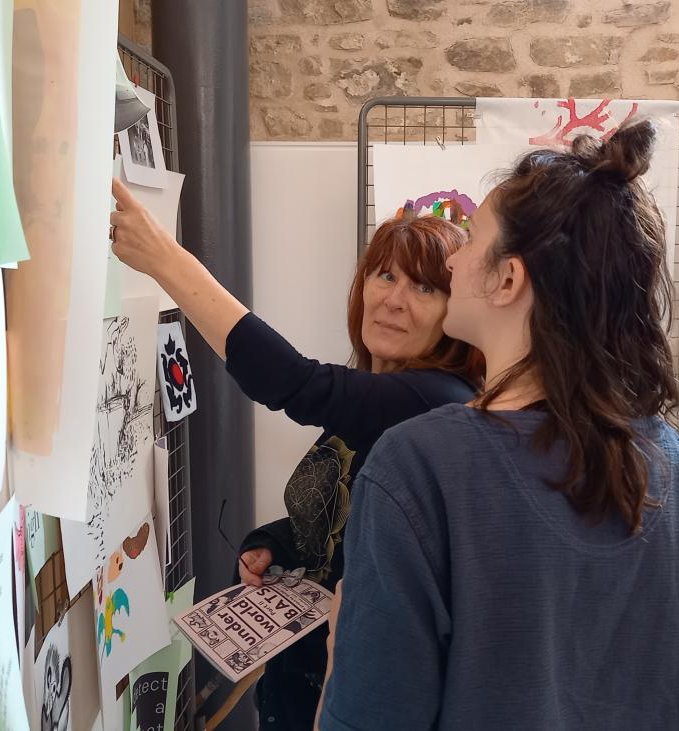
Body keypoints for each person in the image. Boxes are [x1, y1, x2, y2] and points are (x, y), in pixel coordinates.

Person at [319, 122, 679, 730]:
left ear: (508, 278)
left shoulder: (419, 467)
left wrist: (339, 649)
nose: (452, 259)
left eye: (470, 241)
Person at [107, 180, 484, 730]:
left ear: (456, 314)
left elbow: (292, 382)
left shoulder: (434, 400)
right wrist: (273, 543)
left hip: (352, 699)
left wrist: (166, 260)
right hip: (299, 684)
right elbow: (354, 520)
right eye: (385, 275)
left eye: (425, 289)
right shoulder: (377, 393)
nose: (394, 300)